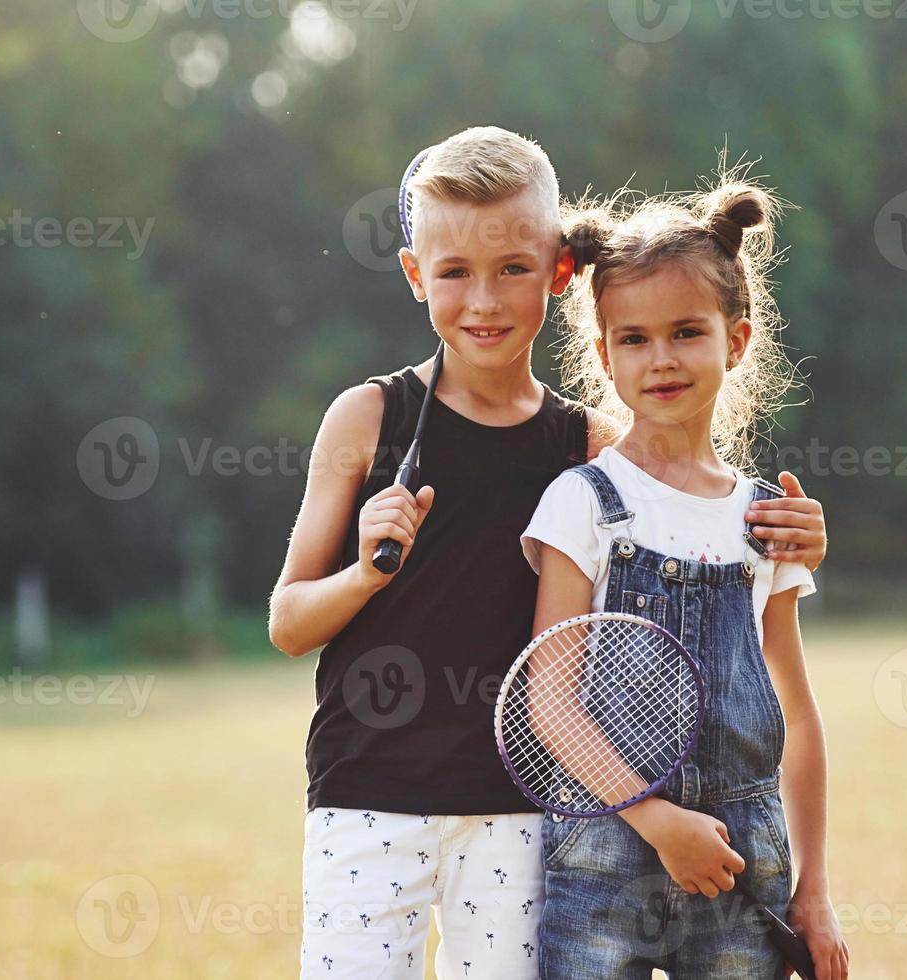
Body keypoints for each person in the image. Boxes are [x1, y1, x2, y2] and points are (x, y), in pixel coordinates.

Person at [268, 128, 830, 979]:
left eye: (513, 271)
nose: (483, 301)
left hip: (526, 817)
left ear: (560, 272)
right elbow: (286, 623)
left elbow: (691, 512)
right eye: (453, 273)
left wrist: (798, 533)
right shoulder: (367, 420)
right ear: (417, 275)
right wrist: (364, 570)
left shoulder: (591, 448)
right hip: (366, 798)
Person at [521, 176, 849, 979]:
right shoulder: (585, 502)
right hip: (605, 848)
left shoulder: (766, 519)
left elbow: (796, 720)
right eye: (633, 339)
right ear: (604, 355)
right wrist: (655, 819)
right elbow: (550, 699)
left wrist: (814, 889)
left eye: (685, 332)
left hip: (745, 862)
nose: (660, 358)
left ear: (735, 342)